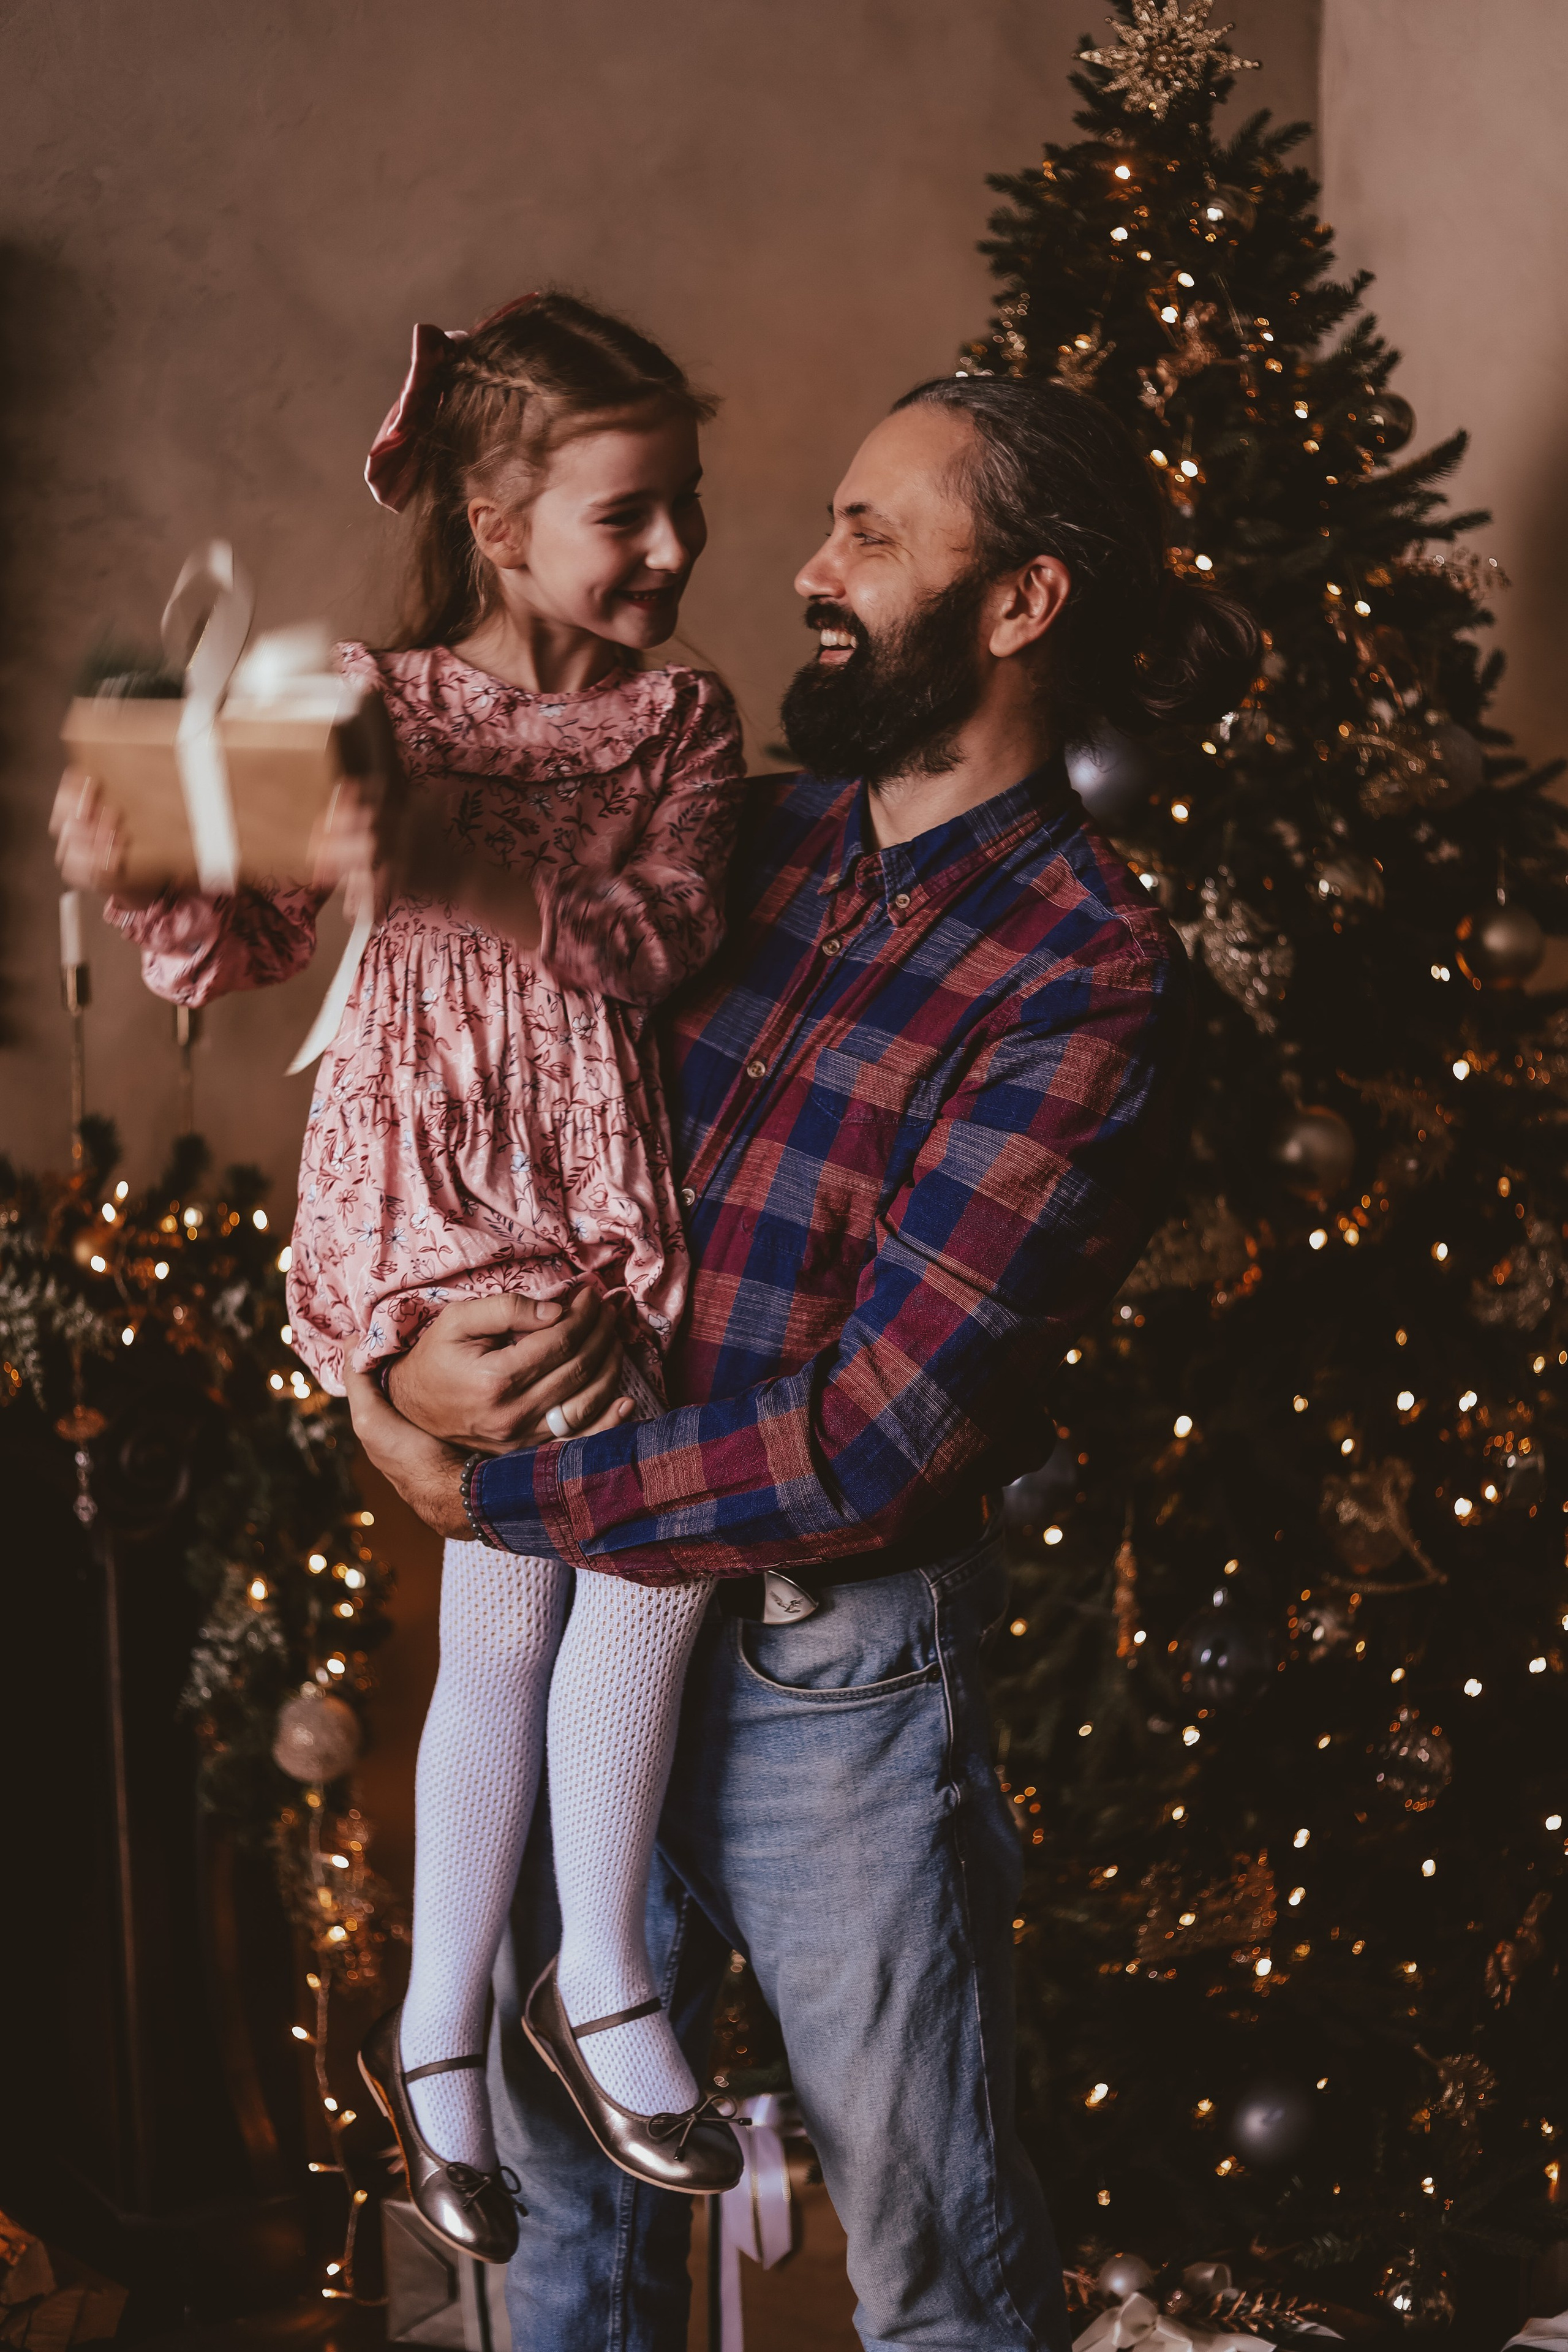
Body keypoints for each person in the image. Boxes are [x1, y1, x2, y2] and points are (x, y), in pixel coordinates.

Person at [350, 371, 1260, 2349]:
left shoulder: (1082, 971)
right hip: (556, 1612)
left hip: (814, 1673)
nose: (801, 572)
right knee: (541, 2232)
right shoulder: (725, 845)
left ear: (1019, 604)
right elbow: (455, 1108)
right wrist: (391, 1379)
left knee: (929, 2247)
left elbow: (873, 1436)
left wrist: (488, 1482)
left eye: (870, 535)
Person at [51, 292, 755, 2266]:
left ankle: (450, 2026)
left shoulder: (676, 720)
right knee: (602, 1571)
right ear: (493, 513)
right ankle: (586, 1983)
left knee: (565, 1599)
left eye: (687, 505)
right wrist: (151, 865)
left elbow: (667, 930)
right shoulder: (362, 695)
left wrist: (449, 872)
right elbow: (237, 946)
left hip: (589, 1179)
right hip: (435, 1191)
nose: (679, 552)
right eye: (631, 515)